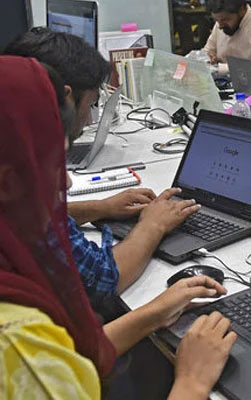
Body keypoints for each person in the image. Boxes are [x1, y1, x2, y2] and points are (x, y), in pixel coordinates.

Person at [0, 55, 236, 400]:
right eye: (52, 162)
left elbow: (73, 356)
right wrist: (191, 383)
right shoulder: (18, 348)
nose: (65, 182)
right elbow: (48, 359)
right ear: (8, 183)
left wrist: (154, 313)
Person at [4, 30, 201, 307]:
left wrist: (100, 207)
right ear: (65, 98)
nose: (87, 120)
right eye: (92, 105)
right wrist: (153, 225)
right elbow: (100, 279)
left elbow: (17, 216)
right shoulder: (18, 164)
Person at [202, 0, 251, 76]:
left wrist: (217, 68)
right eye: (216, 20)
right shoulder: (221, 22)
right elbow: (207, 52)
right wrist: (208, 58)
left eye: (225, 19)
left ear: (242, 10)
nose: (220, 26)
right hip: (223, 80)